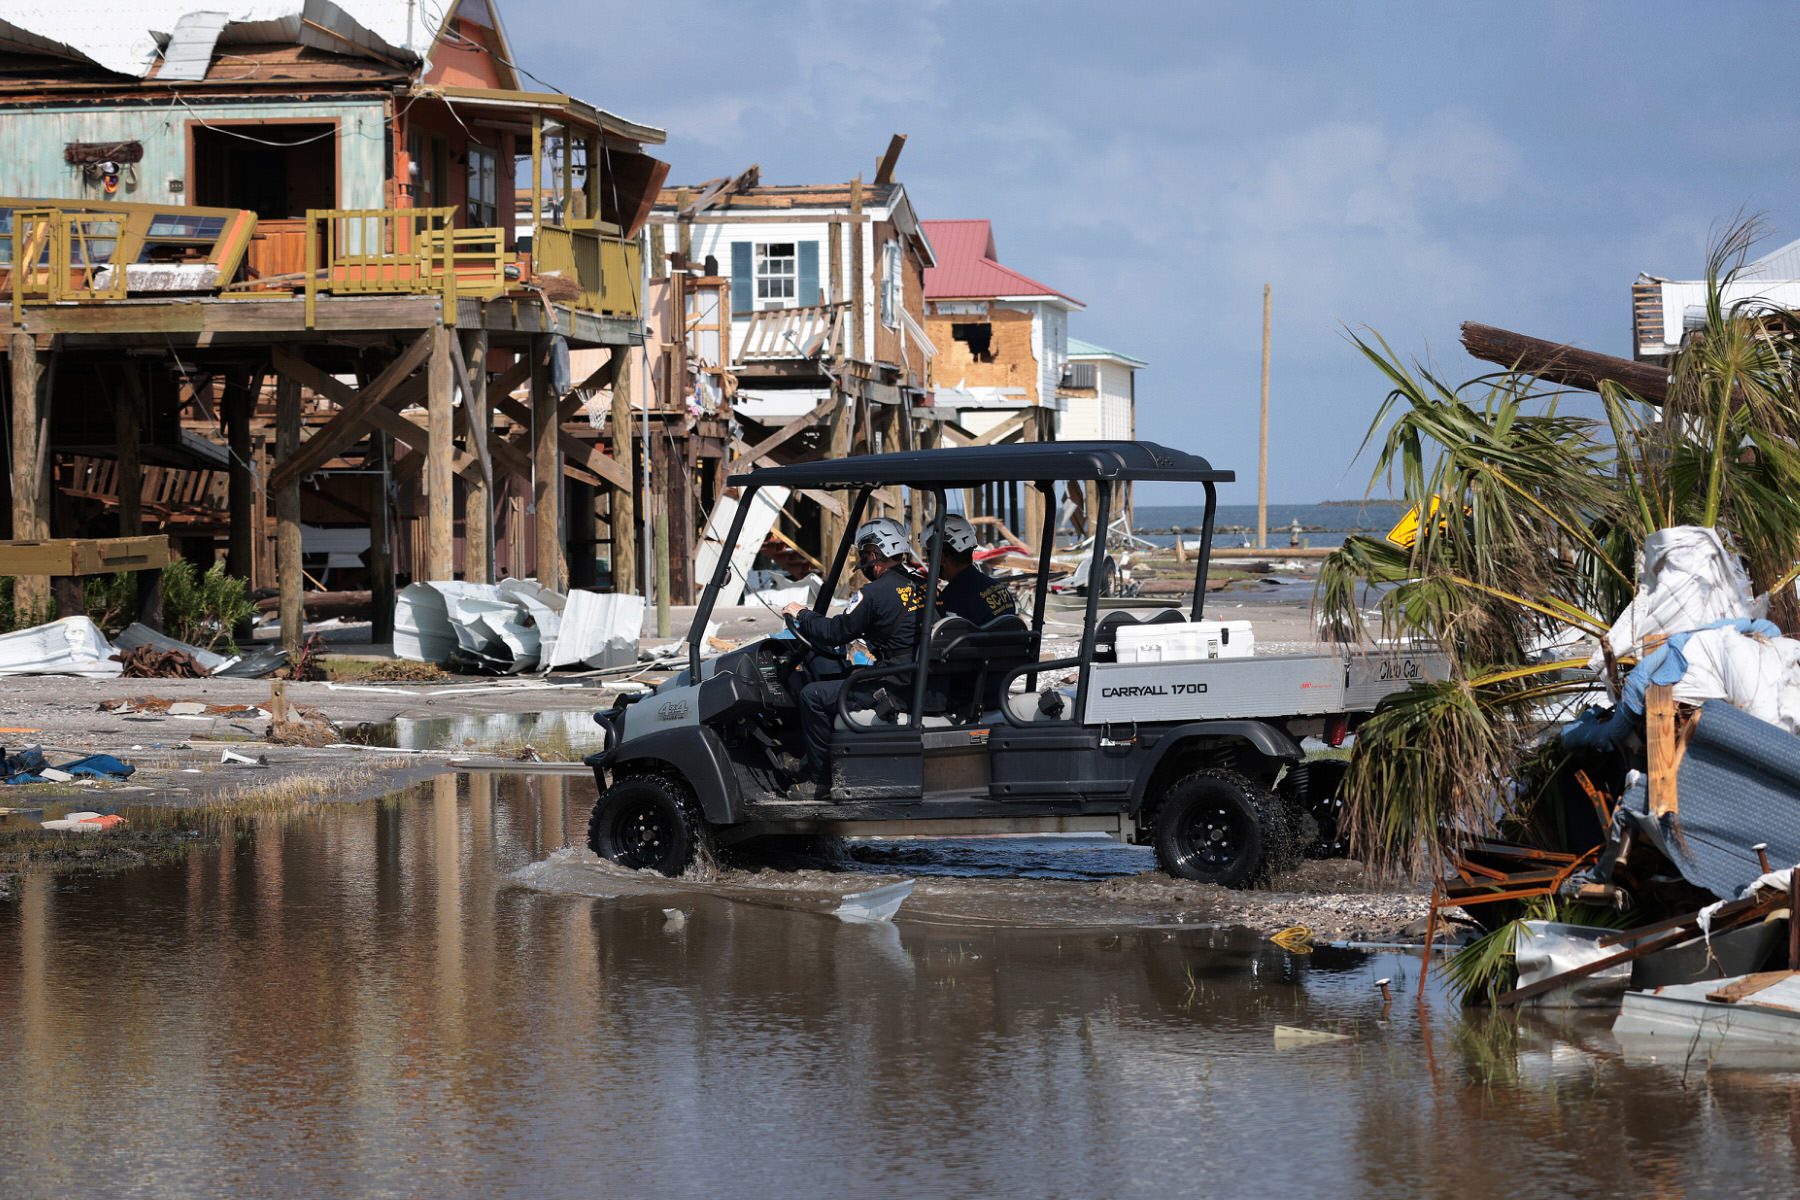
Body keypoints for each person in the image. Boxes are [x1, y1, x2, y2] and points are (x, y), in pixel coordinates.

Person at [779, 518, 925, 800]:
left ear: (873, 554)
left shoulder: (871, 594)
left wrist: (802, 614)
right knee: (848, 675)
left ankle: (819, 781)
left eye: (864, 556)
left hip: (895, 682)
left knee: (812, 695)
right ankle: (811, 760)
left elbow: (836, 633)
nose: (864, 563)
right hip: (914, 675)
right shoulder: (921, 583)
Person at [926, 514, 1017, 625]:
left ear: (941, 558)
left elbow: (947, 637)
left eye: (930, 556)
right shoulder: (998, 587)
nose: (929, 562)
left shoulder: (952, 597)